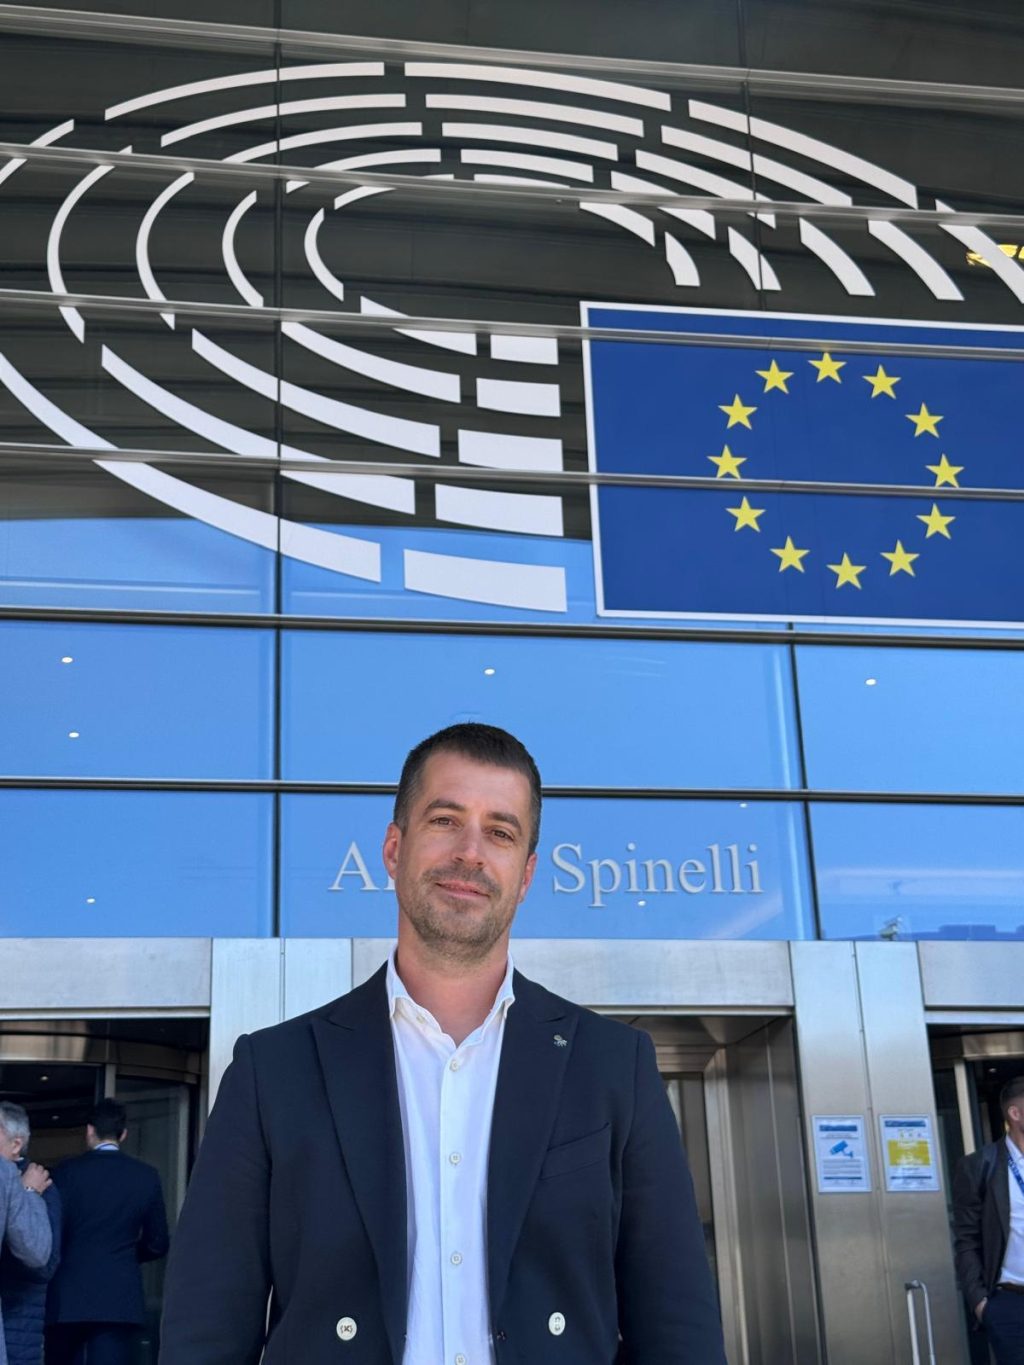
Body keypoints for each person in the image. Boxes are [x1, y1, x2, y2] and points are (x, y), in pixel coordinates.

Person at [161, 722, 726, 1364]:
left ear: (527, 874)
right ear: (393, 849)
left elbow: (678, 1327)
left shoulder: (614, 1065)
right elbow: (204, 1329)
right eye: (445, 820)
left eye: (501, 832)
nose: (471, 852)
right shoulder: (274, 1071)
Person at [45, 1099, 170, 1365]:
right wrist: (125, 1254)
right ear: (123, 1134)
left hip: (68, 1295)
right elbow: (158, 1242)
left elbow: (51, 1230)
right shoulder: (146, 1176)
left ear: (89, 1130)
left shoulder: (66, 1172)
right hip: (118, 1296)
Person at [953, 1075, 1024, 1365]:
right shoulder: (979, 1165)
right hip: (1011, 1304)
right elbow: (966, 1240)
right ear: (1015, 1113)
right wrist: (981, 1303)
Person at [0, 1102, 61, 1365]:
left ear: (16, 1144)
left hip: (19, 1318)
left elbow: (43, 1263)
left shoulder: (41, 1185)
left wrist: (27, 1195)